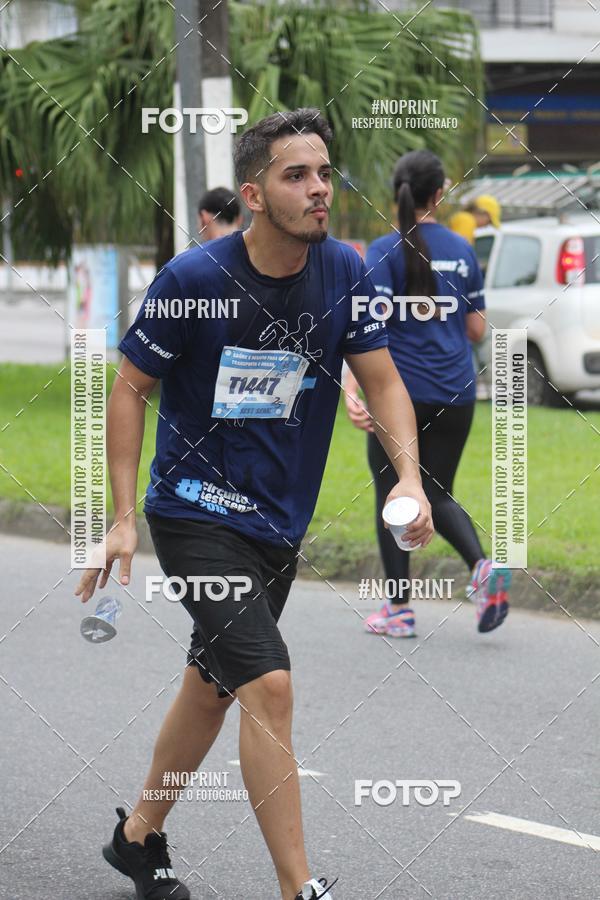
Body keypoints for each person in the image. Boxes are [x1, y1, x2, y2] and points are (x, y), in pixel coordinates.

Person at [75, 108, 434, 900]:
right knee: (268, 686)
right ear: (255, 192)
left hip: (277, 521)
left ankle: (139, 837)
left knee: (212, 686)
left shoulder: (344, 271)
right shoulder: (194, 280)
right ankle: (298, 888)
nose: (318, 190)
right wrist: (124, 516)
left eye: (325, 173)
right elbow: (130, 388)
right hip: (195, 510)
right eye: (295, 175)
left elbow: (383, 381)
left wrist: (408, 477)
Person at [343, 149, 511, 641]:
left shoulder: (380, 251)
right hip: (457, 391)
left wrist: (354, 390)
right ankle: (482, 567)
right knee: (436, 491)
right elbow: (477, 329)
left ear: (397, 192)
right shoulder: (461, 249)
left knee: (392, 493)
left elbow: (364, 329)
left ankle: (398, 610)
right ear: (439, 195)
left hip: (400, 395)